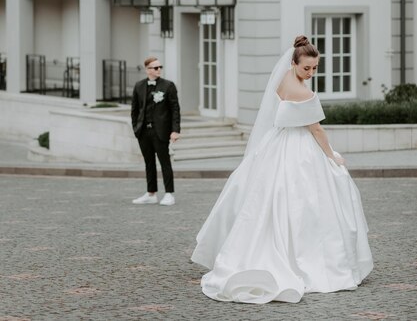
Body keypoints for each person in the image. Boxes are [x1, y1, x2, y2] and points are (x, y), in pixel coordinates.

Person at [191, 36, 373, 304]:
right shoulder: (304, 93)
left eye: (315, 68)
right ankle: (306, 259)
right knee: (309, 200)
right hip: (300, 148)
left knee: (266, 198)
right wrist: (332, 156)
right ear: (294, 63)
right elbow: (316, 129)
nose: (310, 73)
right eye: (306, 68)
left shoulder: (283, 78)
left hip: (276, 142)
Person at [131, 56, 180, 206]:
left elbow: (175, 110)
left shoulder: (168, 86)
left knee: (165, 162)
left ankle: (169, 194)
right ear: (147, 70)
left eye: (160, 67)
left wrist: (175, 130)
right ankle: (151, 193)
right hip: (144, 131)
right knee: (149, 163)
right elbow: (134, 109)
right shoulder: (138, 86)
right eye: (155, 67)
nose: (159, 70)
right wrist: (136, 128)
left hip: (161, 131)